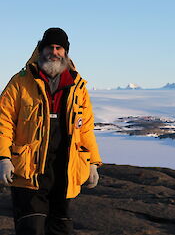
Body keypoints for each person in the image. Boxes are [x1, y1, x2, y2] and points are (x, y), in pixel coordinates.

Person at [0, 27, 102, 235]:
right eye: (49, 47)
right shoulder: (20, 81)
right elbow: (4, 121)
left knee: (60, 229)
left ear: (65, 52)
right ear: (40, 49)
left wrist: (93, 162)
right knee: (31, 229)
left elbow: (86, 128)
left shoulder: (77, 85)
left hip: (65, 172)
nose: (53, 52)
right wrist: (3, 157)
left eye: (59, 48)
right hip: (28, 173)